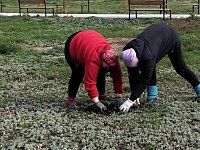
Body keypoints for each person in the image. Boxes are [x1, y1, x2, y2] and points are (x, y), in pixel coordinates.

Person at [119, 23, 200, 112]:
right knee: (149, 66)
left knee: (180, 68)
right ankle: (152, 97)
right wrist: (135, 95)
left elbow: (145, 79)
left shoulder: (148, 55)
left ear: (138, 58)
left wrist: (130, 100)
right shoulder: (128, 52)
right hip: (156, 40)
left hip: (170, 36)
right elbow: (133, 75)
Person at [64, 29, 123, 111]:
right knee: (78, 73)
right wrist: (96, 102)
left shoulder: (113, 57)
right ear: (102, 60)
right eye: (108, 65)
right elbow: (90, 81)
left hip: (90, 39)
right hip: (74, 43)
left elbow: (117, 77)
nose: (109, 68)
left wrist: (118, 96)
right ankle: (70, 100)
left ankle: (102, 95)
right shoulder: (93, 60)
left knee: (101, 72)